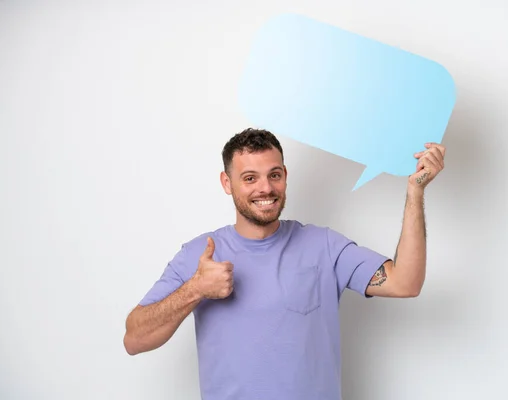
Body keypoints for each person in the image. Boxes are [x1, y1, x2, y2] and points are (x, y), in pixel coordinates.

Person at [123, 127, 446, 400]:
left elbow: (406, 282)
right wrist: (195, 289)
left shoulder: (325, 246)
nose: (265, 188)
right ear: (226, 183)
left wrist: (415, 192)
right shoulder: (200, 254)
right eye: (250, 178)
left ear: (285, 177)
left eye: (273, 175)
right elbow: (134, 339)